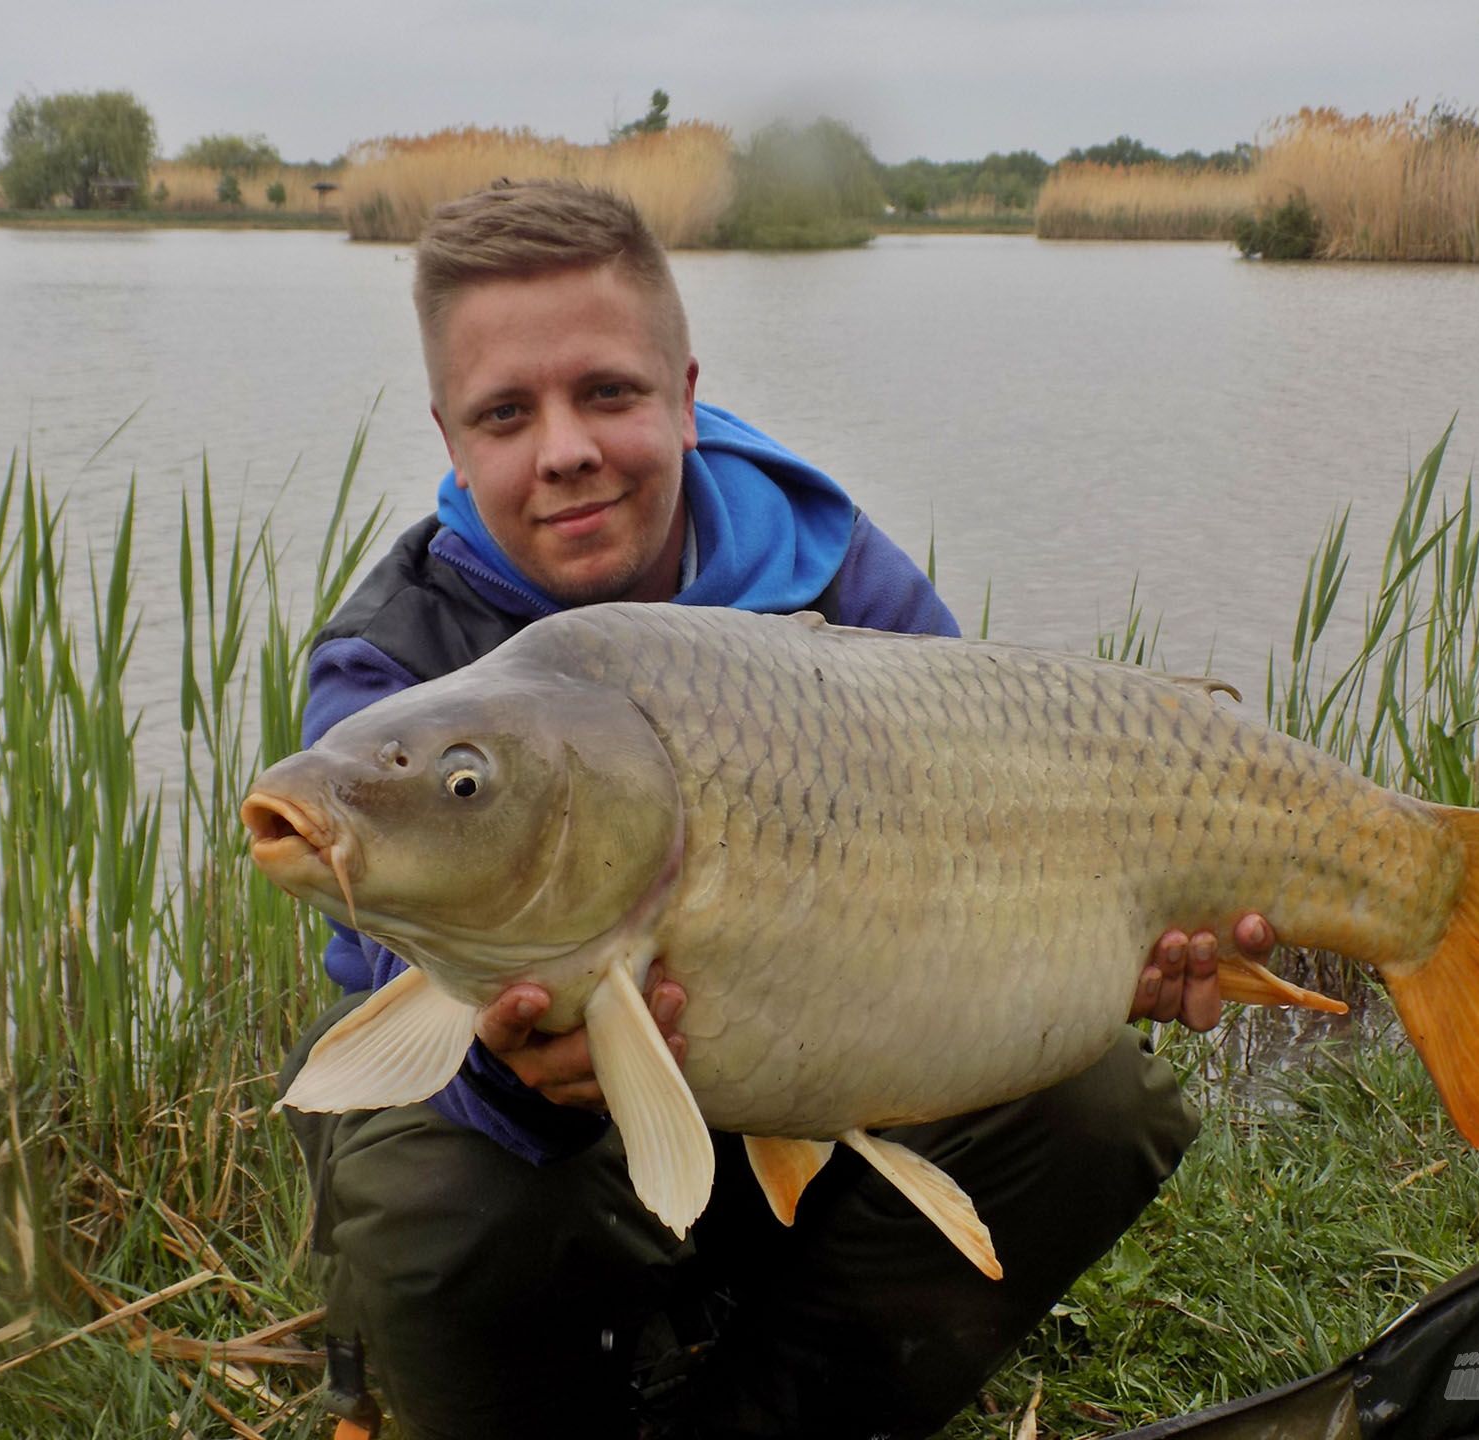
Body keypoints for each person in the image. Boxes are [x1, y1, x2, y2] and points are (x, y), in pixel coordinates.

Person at [281, 179, 1277, 1440]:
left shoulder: (838, 577)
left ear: (685, 394)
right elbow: (395, 995)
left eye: (607, 393)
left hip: (821, 1056)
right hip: (513, 1140)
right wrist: (526, 1080)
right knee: (441, 1206)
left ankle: (771, 1412)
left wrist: (1091, 955)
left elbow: (989, 853)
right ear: (450, 439)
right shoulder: (390, 666)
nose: (565, 448)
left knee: (1096, 1104)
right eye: (504, 413)